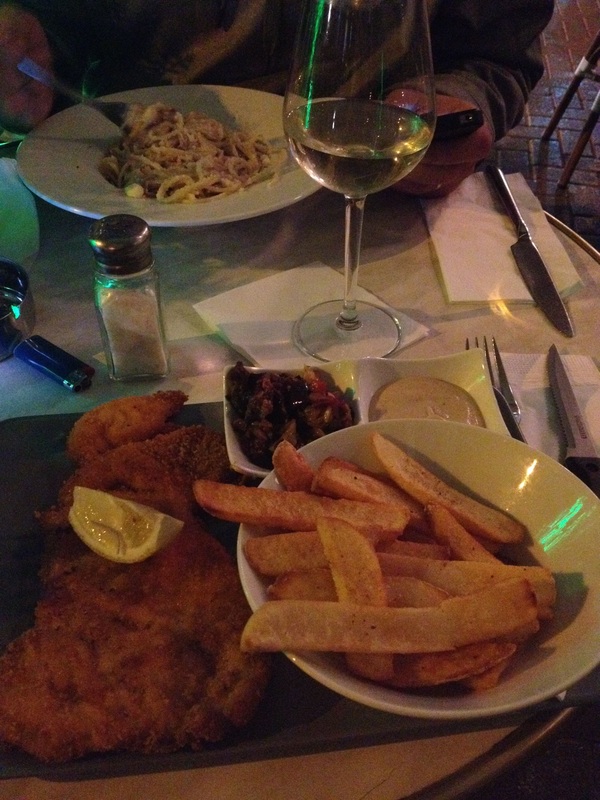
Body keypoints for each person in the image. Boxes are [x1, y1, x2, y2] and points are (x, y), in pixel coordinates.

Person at [0, 0, 555, 197]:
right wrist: (27, 47)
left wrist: (459, 100)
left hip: (379, 209)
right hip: (120, 210)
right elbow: (57, 23)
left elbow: (497, 54)